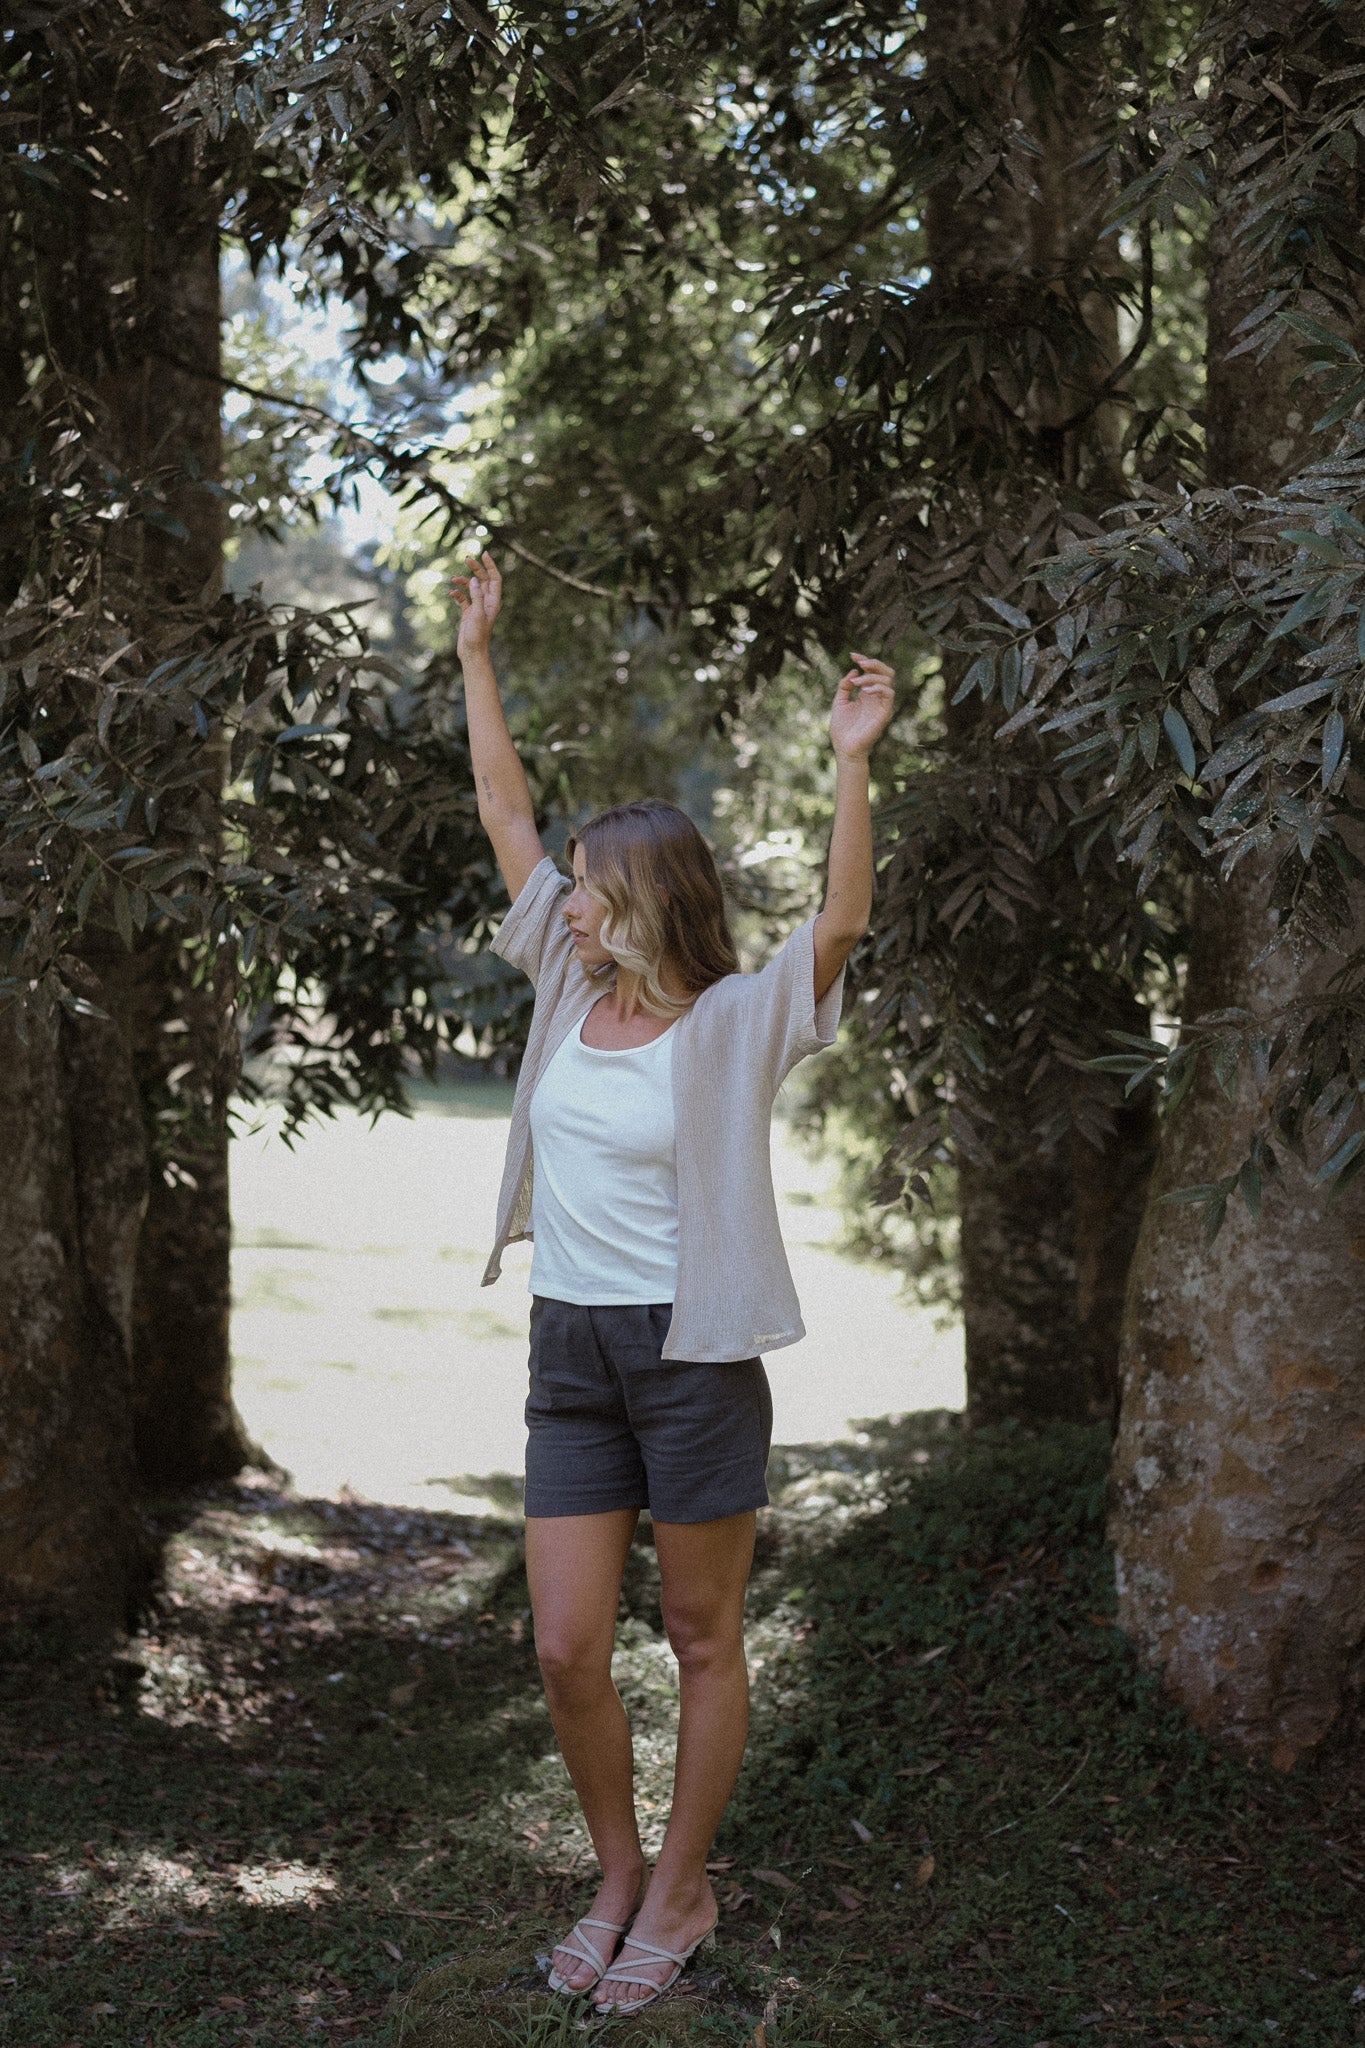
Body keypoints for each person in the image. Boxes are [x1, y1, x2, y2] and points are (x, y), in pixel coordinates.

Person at [451, 549, 895, 2018]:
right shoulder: (568, 994)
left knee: (700, 1638)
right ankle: (617, 1869)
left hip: (693, 1357)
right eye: (566, 892)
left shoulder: (733, 1024)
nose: (562, 906)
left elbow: (836, 929)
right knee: (568, 1645)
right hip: (570, 1350)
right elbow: (503, 811)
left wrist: (849, 764)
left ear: (641, 898)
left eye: (584, 891)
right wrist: (474, 653)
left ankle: (683, 1887)